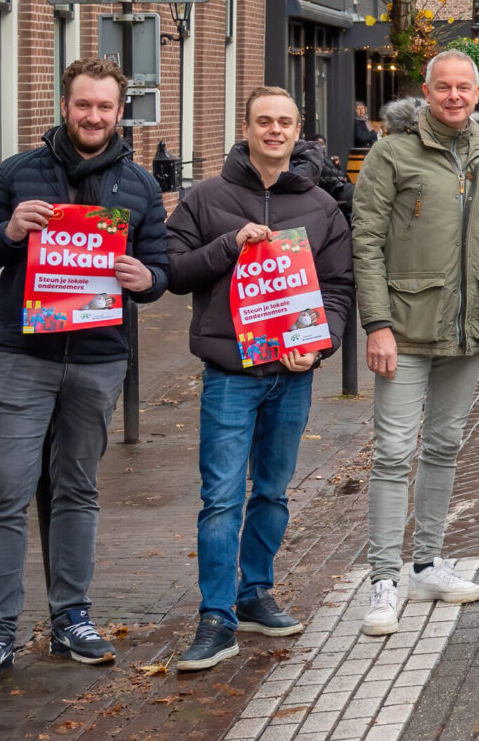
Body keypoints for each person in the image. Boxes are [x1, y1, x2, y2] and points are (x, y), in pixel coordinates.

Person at [0, 57, 170, 687]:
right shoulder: (18, 174)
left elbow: (161, 271)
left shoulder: (140, 189)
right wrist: (10, 232)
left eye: (105, 106)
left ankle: (71, 614)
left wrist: (146, 279)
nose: (93, 116)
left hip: (98, 363)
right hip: (24, 358)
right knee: (5, 490)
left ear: (119, 110)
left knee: (77, 491)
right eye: (83, 105)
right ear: (64, 105)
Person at [164, 87, 354, 670]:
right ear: (245, 128)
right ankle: (215, 617)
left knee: (271, 492)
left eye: (285, 123)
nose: (274, 131)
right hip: (230, 373)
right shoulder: (205, 197)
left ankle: (255, 594)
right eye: (263, 121)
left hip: (291, 375)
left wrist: (319, 345)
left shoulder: (321, 207)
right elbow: (173, 272)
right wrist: (229, 244)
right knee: (220, 498)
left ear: (299, 132)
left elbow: (339, 289)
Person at [350, 50, 479, 634]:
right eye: (442, 87)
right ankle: (382, 581)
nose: (453, 96)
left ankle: (427, 563)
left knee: (444, 444)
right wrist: (377, 325)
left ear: (477, 92)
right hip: (405, 328)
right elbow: (365, 241)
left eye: (463, 87)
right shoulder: (392, 152)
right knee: (394, 454)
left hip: (469, 329)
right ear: (427, 89)